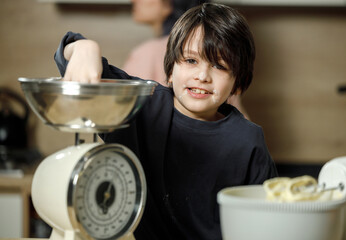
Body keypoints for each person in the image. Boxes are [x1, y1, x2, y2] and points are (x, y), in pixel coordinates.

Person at [55, 3, 278, 239]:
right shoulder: (139, 105)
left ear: (239, 83)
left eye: (219, 66)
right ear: (170, 71)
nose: (202, 76)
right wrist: (84, 49)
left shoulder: (248, 140)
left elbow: (267, 219)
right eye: (191, 61)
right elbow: (68, 56)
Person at [124, 0, 249, 117]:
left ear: (169, 3)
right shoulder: (223, 52)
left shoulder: (147, 53)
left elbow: (124, 115)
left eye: (218, 66)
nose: (133, 0)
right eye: (191, 61)